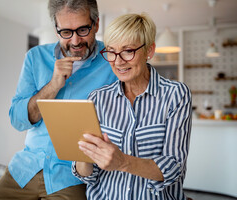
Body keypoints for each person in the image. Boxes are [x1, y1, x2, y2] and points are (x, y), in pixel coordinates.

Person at [0, 0, 117, 200]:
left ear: (96, 24)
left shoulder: (113, 61)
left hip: (72, 176)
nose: (75, 41)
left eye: (83, 30)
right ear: (56, 28)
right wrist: (53, 85)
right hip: (25, 169)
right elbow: (18, 121)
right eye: (66, 32)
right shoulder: (35, 57)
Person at [72, 13, 192, 200]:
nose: (118, 61)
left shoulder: (175, 94)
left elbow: (173, 167)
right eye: (111, 51)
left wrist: (123, 162)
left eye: (128, 51)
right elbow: (87, 174)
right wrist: (83, 153)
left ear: (149, 51)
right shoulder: (97, 98)